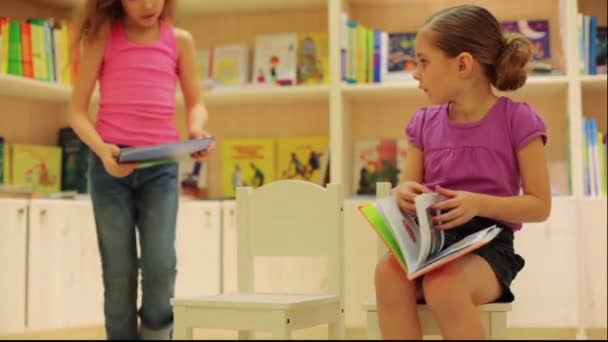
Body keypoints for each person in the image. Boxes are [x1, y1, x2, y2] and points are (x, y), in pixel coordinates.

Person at [374, 5, 552, 340]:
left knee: (444, 283)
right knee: (387, 273)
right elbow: (409, 186)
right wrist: (403, 194)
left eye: (424, 61)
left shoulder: (518, 120)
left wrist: (478, 204)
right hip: (433, 241)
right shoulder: (423, 124)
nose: (415, 73)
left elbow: (540, 205)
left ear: (462, 64)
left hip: (490, 246)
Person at [68, 0, 214, 339]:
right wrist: (104, 151)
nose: (148, 4)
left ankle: (157, 334)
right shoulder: (104, 36)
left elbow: (196, 103)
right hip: (110, 169)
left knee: (160, 265)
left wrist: (196, 131)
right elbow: (76, 111)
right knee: (119, 272)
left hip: (160, 170)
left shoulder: (180, 40)